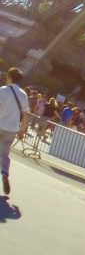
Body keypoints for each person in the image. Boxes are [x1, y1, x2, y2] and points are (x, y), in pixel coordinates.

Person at [0, 67, 31, 196]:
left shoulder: (3, 90)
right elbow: (26, 115)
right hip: (12, 129)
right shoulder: (23, 94)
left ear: (10, 77)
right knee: (4, 154)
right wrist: (22, 130)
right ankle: (5, 173)